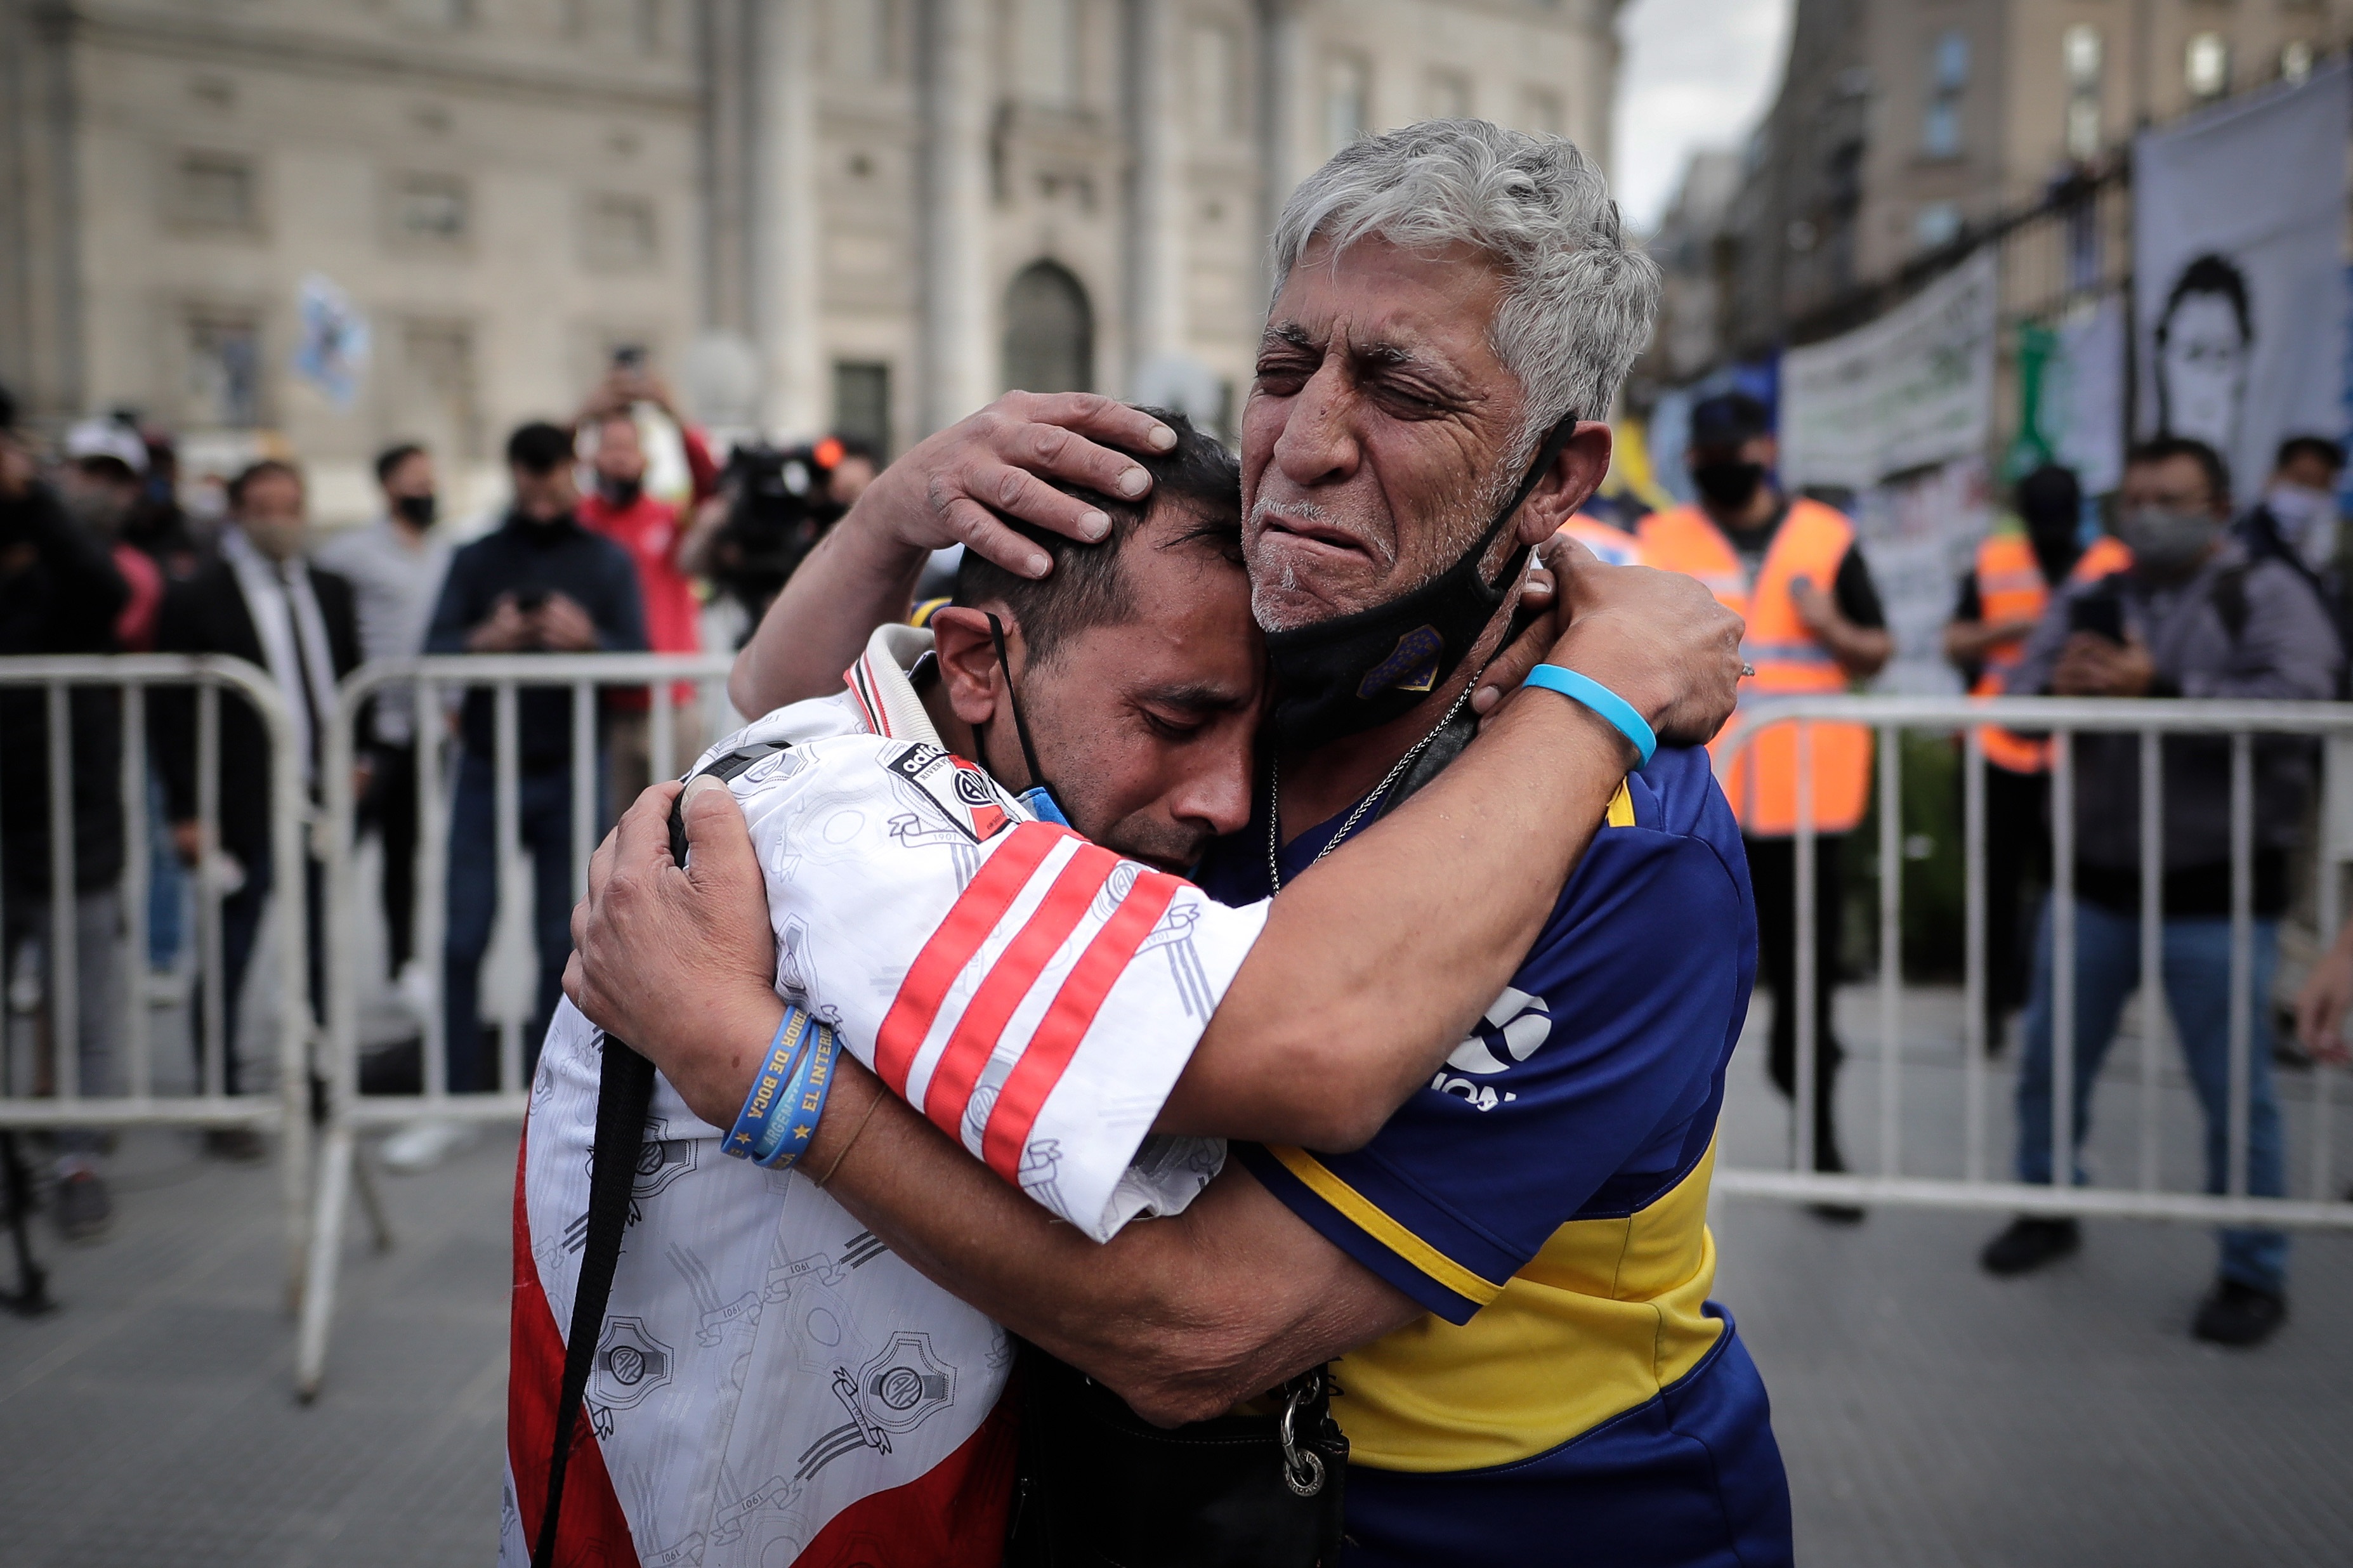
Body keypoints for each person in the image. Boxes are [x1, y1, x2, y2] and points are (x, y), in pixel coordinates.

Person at [572, 121, 1786, 1567]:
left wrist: (761, 1072)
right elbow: (824, 737)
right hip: (1183, 1519)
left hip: (1538, 1526)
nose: (1307, 442)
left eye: (1400, 390)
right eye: (1282, 370)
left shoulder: (1630, 840)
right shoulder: (1236, 676)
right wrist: (903, 508)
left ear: (1553, 475)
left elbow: (1205, 1325)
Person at [1977, 436, 2341, 1348]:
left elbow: (2303, 702)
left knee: (2235, 1095)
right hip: (2089, 886)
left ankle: (2253, 1268)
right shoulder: (2096, 595)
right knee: (2050, 1068)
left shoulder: (2263, 592)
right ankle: (2046, 1204)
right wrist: (2059, 687)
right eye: (2133, 498)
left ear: (2218, 509)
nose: (2146, 515)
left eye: (2169, 498)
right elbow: (2017, 698)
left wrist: (2163, 688)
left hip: (2216, 897)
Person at [1640, 390, 1891, 1212]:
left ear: (1766, 447)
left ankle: (1818, 1144)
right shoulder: (1664, 538)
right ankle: (1646, 1167)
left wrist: (1828, 625)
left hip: (1808, 800)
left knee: (1809, 985)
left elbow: (1875, 651)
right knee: (1670, 980)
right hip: (1691, 805)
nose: (1721, 468)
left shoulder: (1825, 537)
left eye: (1733, 451)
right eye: (1706, 458)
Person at [404, 423, 643, 1170]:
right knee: (461, 936)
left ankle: (552, 1105)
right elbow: (434, 647)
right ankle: (448, 1098)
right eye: (529, 474)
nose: (542, 488)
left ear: (569, 473)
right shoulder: (477, 557)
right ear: (512, 473)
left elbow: (638, 655)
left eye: (553, 474)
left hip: (571, 766)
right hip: (485, 765)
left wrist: (587, 644)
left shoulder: (605, 559)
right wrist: (486, 640)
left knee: (559, 943)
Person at [152, 460, 362, 1158]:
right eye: (264, 506)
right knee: (231, 951)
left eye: (290, 504)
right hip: (238, 807)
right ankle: (221, 1097)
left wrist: (357, 763)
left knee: (321, 952)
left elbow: (349, 680)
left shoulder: (330, 589)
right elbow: (171, 715)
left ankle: (324, 1083)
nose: (280, 519)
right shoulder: (197, 598)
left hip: (317, 800)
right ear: (238, 514)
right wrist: (185, 810)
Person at [0, 386, 131, 1238]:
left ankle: (76, 1158)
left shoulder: (57, 542)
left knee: (84, 1002)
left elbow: (105, 591)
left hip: (70, 817)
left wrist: (31, 496)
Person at [1943, 465, 2132, 1049]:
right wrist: (2013, 629)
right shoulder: (1995, 561)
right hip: (2000, 748)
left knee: (2074, 892)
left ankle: (2060, 1010)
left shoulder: (2113, 565)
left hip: (2086, 757)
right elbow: (1954, 642)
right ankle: (1992, 1011)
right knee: (1996, 890)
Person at [314, 443, 452, 1023]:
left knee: (406, 855)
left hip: (424, 731)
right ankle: (309, 972)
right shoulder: (348, 553)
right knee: (330, 853)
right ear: (389, 486)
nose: (426, 489)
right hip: (370, 729)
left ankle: (404, 965)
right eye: (414, 479)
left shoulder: (444, 551)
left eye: (430, 477)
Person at [575, 411, 707, 802]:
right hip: (607, 705)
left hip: (672, 700)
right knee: (614, 833)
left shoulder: (670, 518)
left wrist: (672, 412)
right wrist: (590, 407)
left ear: (646, 459)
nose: (619, 458)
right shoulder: (582, 521)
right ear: (591, 458)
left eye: (628, 448)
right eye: (609, 447)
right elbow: (542, 470)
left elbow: (709, 485)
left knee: (677, 823)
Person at [2236, 434, 2346, 639]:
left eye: (2320, 485)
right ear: (2272, 478)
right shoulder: (2240, 548)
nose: (2308, 494)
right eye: (2301, 481)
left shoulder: (2325, 559)